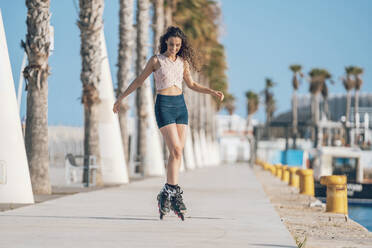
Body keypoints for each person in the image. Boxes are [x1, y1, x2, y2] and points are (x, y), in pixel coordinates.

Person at [113, 26, 224, 221]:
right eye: (171, 44)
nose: (174, 47)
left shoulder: (182, 62)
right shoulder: (156, 61)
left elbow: (192, 85)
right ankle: (173, 191)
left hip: (180, 106)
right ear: (166, 42)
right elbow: (139, 80)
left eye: (178, 45)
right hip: (164, 106)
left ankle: (167, 193)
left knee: (178, 152)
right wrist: (121, 98)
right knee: (176, 150)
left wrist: (212, 91)